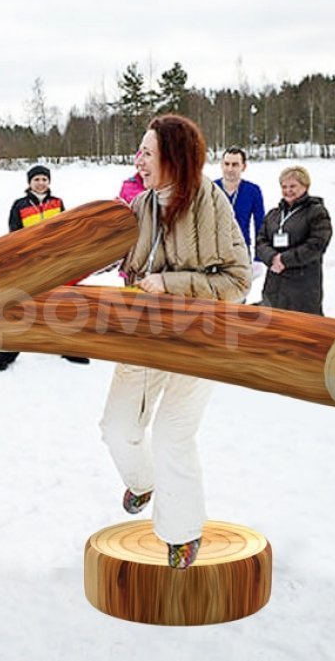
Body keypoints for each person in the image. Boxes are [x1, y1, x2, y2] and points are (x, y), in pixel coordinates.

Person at [98, 115, 251, 569]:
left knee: (170, 437)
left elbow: (238, 279)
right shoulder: (141, 206)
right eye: (139, 151)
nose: (137, 160)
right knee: (117, 429)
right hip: (145, 338)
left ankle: (181, 532)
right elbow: (128, 261)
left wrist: (172, 283)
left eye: (147, 152)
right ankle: (142, 482)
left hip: (199, 340)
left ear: (174, 158)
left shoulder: (212, 204)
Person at [0, 164, 90, 371]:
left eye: (44, 179)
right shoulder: (19, 205)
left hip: (55, 261)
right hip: (30, 263)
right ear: (29, 182)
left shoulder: (57, 203)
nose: (41, 183)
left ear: (49, 182)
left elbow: (65, 229)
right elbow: (14, 235)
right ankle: (8, 352)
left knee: (62, 304)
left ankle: (68, 348)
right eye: (36, 179)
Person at [255, 165, 333, 315]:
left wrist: (285, 259)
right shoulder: (274, 214)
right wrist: (272, 258)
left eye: (293, 186)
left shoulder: (316, 212)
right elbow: (261, 241)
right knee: (273, 324)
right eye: (284, 186)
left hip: (302, 285)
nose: (288, 190)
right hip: (275, 282)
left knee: (302, 328)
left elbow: (317, 244)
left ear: (305, 186)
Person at [213, 146, 265, 267]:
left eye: (235, 164)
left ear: (244, 166)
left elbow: (260, 225)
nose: (230, 169)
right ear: (221, 165)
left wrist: (259, 257)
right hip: (214, 251)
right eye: (226, 164)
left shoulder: (252, 190)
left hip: (241, 250)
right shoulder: (211, 188)